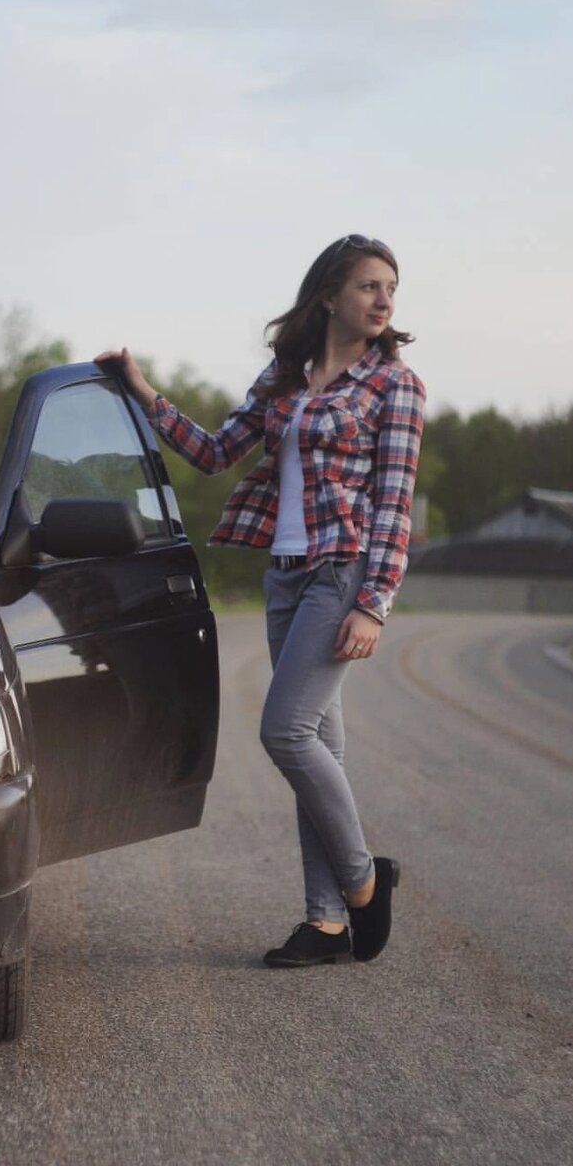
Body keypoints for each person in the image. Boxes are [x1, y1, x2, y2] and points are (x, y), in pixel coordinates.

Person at [95, 234, 426, 967]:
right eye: (369, 286)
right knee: (319, 741)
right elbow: (214, 452)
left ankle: (365, 882)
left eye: (389, 289)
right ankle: (325, 923)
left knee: (285, 732)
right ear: (329, 295)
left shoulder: (392, 387)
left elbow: (394, 503)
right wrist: (143, 392)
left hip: (339, 574)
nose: (382, 301)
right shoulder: (285, 377)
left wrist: (373, 604)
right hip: (283, 574)